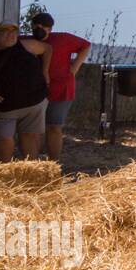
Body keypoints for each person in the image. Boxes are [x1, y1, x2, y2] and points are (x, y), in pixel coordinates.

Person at [0, 17, 51, 162]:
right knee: (4, 139)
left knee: (30, 137)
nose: (11, 35)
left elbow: (47, 49)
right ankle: (5, 173)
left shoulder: (25, 45)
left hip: (34, 103)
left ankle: (31, 174)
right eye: (4, 31)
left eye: (13, 31)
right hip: (5, 106)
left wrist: (45, 72)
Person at [29, 11, 91, 162]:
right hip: (36, 91)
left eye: (44, 26)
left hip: (61, 90)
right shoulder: (27, 41)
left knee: (54, 127)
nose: (39, 29)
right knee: (34, 130)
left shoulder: (63, 39)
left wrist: (75, 67)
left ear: (50, 29)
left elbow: (86, 46)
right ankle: (32, 164)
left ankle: (54, 164)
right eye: (36, 25)